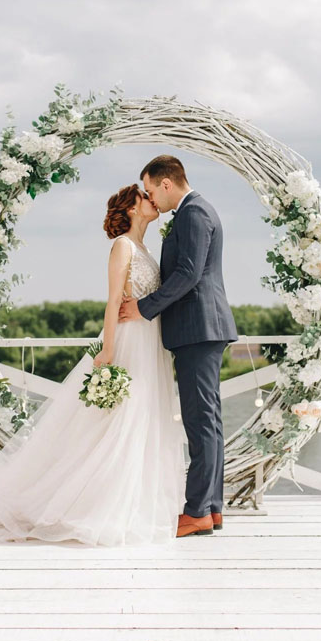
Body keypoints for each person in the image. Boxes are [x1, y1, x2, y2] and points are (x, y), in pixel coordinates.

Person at [0, 183, 187, 547]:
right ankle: (90, 505)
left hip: (149, 343)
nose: (152, 200)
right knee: (119, 422)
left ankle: (129, 502)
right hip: (127, 342)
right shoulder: (122, 245)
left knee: (140, 420)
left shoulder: (144, 249)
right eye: (144, 196)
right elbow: (111, 302)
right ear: (133, 208)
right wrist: (108, 351)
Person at [119, 155, 238, 537]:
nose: (152, 198)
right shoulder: (196, 211)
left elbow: (188, 273)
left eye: (152, 189)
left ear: (166, 183)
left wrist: (143, 307)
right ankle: (212, 507)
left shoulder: (192, 214)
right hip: (201, 329)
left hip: (197, 329)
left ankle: (198, 511)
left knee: (200, 421)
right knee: (209, 421)